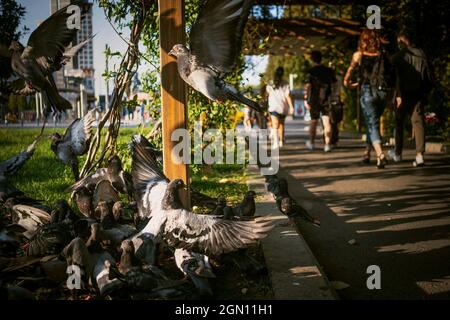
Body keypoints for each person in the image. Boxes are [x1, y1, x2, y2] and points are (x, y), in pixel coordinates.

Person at [344, 29, 396, 169]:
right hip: (382, 93)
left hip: (367, 92)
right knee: (372, 122)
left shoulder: (358, 55)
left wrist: (348, 83)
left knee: (372, 124)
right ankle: (367, 152)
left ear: (363, 40)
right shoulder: (383, 55)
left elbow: (348, 75)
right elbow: (392, 76)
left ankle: (380, 155)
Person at [388, 29, 434, 167]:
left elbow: (392, 77)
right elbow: (429, 76)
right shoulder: (422, 54)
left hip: (402, 95)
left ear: (401, 42)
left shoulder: (397, 57)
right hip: (418, 94)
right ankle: (420, 155)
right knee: (418, 123)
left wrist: (397, 95)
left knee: (398, 121)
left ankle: (398, 153)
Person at [303, 50, 337, 152]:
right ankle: (327, 145)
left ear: (312, 59)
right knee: (327, 122)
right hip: (327, 99)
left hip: (314, 100)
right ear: (321, 58)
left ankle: (311, 143)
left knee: (314, 121)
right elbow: (335, 84)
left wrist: (305, 99)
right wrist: (334, 96)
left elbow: (308, 86)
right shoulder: (329, 71)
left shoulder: (311, 72)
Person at [266, 67, 294, 147]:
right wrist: (291, 107)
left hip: (276, 106)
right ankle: (278, 141)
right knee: (279, 124)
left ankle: (279, 141)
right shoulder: (285, 83)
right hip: (280, 107)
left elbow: (268, 93)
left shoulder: (271, 83)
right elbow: (288, 96)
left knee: (278, 124)